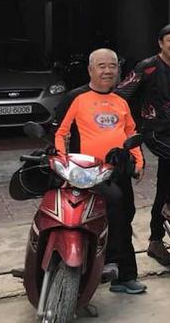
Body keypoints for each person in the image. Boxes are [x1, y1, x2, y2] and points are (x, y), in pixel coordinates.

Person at [55, 49, 146, 295]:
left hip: (118, 170)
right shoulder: (76, 97)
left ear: (118, 70)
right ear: (90, 70)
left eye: (112, 66)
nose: (107, 71)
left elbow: (131, 134)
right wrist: (63, 163)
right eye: (101, 66)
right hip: (86, 173)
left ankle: (124, 277)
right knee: (109, 210)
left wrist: (138, 163)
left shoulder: (121, 101)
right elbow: (60, 133)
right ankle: (97, 267)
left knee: (125, 218)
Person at [116, 24, 170, 268]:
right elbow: (121, 94)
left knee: (165, 185)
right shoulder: (147, 67)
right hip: (154, 133)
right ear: (160, 43)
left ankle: (155, 241)